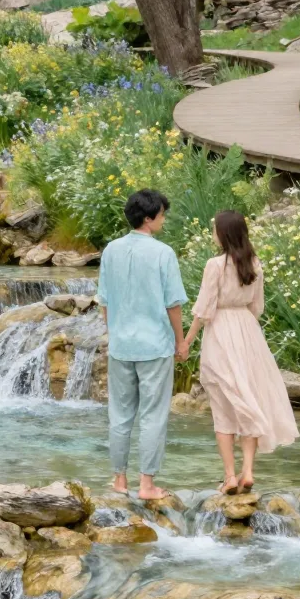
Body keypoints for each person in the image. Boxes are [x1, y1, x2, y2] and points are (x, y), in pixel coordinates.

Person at [183, 210, 298, 491]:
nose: (213, 234)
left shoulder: (215, 265)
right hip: (248, 331)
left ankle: (230, 477)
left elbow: (204, 309)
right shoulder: (255, 264)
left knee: (223, 405)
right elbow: (257, 308)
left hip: (221, 330)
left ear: (223, 234)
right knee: (249, 395)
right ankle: (248, 471)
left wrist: (186, 341)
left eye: (215, 229)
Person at [97, 188, 189, 501]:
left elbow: (105, 300)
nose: (164, 219)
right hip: (155, 346)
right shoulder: (163, 253)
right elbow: (173, 304)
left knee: (119, 415)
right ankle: (147, 484)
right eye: (162, 214)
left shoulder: (111, 250)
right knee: (153, 415)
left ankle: (119, 480)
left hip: (121, 345)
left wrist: (114, 332)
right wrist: (181, 341)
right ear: (149, 218)